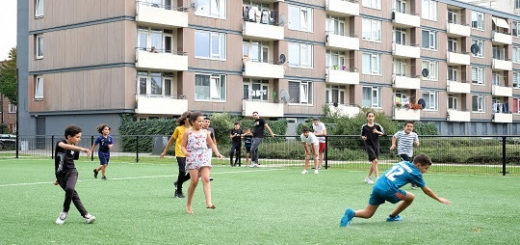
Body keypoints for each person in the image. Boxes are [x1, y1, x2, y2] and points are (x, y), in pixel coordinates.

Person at [340, 154, 451, 227]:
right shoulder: (416, 172)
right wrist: (439, 199)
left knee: (368, 213)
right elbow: (426, 190)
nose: (425, 171)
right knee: (411, 197)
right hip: (389, 191)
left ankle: (352, 213)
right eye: (425, 168)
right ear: (418, 165)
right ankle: (392, 216)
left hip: (378, 185)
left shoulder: (403, 163)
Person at [181, 112, 224, 214]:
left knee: (206, 179)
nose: (201, 123)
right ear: (192, 122)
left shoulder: (205, 132)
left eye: (202, 121)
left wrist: (217, 153)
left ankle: (209, 203)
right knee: (194, 181)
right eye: (199, 121)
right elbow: (182, 146)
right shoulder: (187, 132)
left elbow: (211, 144)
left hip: (204, 157)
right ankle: (188, 205)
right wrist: (185, 152)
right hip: (192, 158)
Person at [54, 125, 96, 225]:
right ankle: (86, 215)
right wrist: (82, 149)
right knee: (73, 194)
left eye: (80, 137)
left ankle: (64, 212)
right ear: (69, 137)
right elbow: (64, 147)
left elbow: (70, 160)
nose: (79, 139)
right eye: (77, 137)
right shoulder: (61, 143)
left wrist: (77, 149)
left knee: (70, 189)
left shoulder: (75, 150)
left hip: (72, 172)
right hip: (60, 175)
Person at [160, 111, 191, 198]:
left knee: (193, 173)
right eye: (188, 117)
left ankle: (178, 182)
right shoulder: (178, 129)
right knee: (182, 171)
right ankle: (178, 191)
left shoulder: (193, 129)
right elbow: (171, 140)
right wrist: (164, 151)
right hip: (180, 153)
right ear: (184, 119)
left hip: (189, 154)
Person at [390, 121, 420, 189]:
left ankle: (394, 177)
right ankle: (413, 183)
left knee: (407, 168)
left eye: (411, 126)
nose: (409, 128)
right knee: (410, 167)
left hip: (410, 153)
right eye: (408, 126)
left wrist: (417, 143)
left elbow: (417, 143)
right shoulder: (400, 133)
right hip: (402, 152)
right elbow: (394, 137)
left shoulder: (414, 134)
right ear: (404, 127)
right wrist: (393, 144)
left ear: (413, 128)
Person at [360, 112, 385, 184]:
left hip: (376, 145)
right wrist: (363, 137)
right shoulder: (364, 127)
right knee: (375, 161)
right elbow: (361, 135)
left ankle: (368, 177)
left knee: (374, 162)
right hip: (368, 145)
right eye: (369, 116)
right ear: (367, 118)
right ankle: (377, 178)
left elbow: (384, 133)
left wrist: (377, 132)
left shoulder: (377, 126)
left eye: (372, 116)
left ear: (374, 117)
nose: (370, 118)